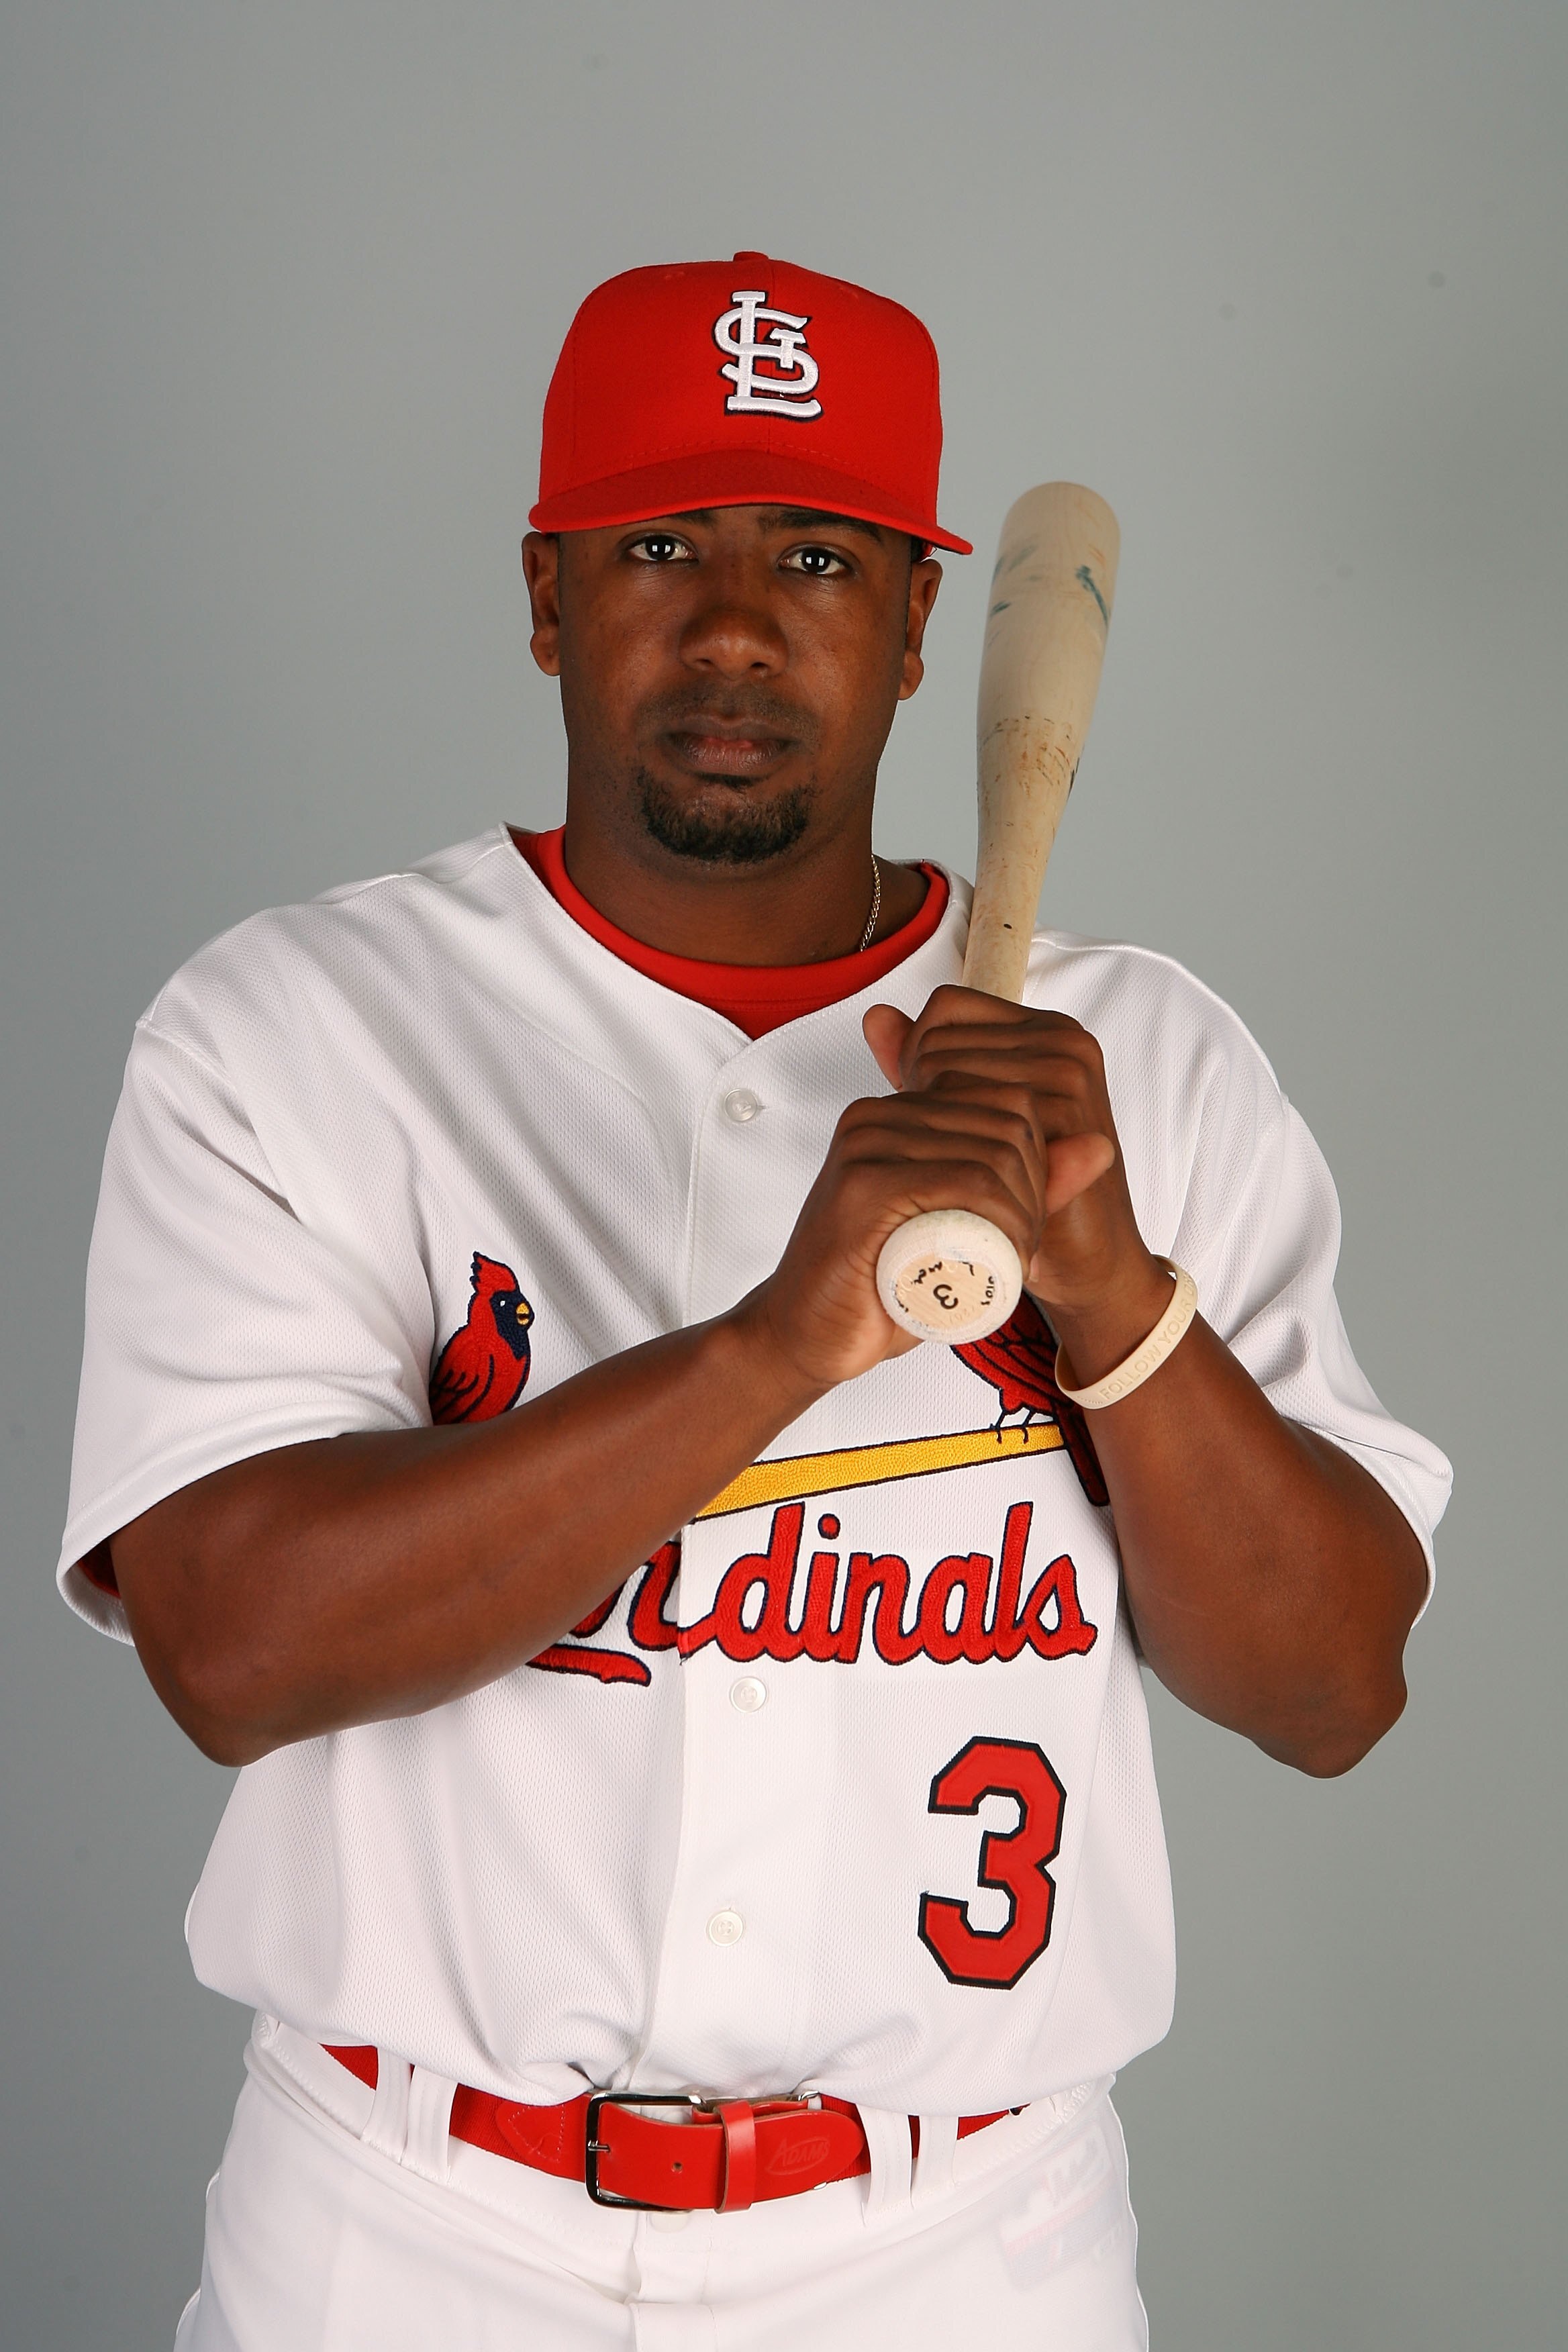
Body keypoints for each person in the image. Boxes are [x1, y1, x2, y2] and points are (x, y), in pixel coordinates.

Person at [58, 253, 1451, 2350]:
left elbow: (1333, 1690)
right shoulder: (294, 1027)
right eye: (656, 548)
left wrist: (1111, 1288)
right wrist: (783, 1339)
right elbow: (234, 1653)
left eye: (814, 556)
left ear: (918, 628)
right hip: (407, 2232)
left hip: (961, 2246)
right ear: (547, 599)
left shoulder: (1143, 1068)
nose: (730, 625)